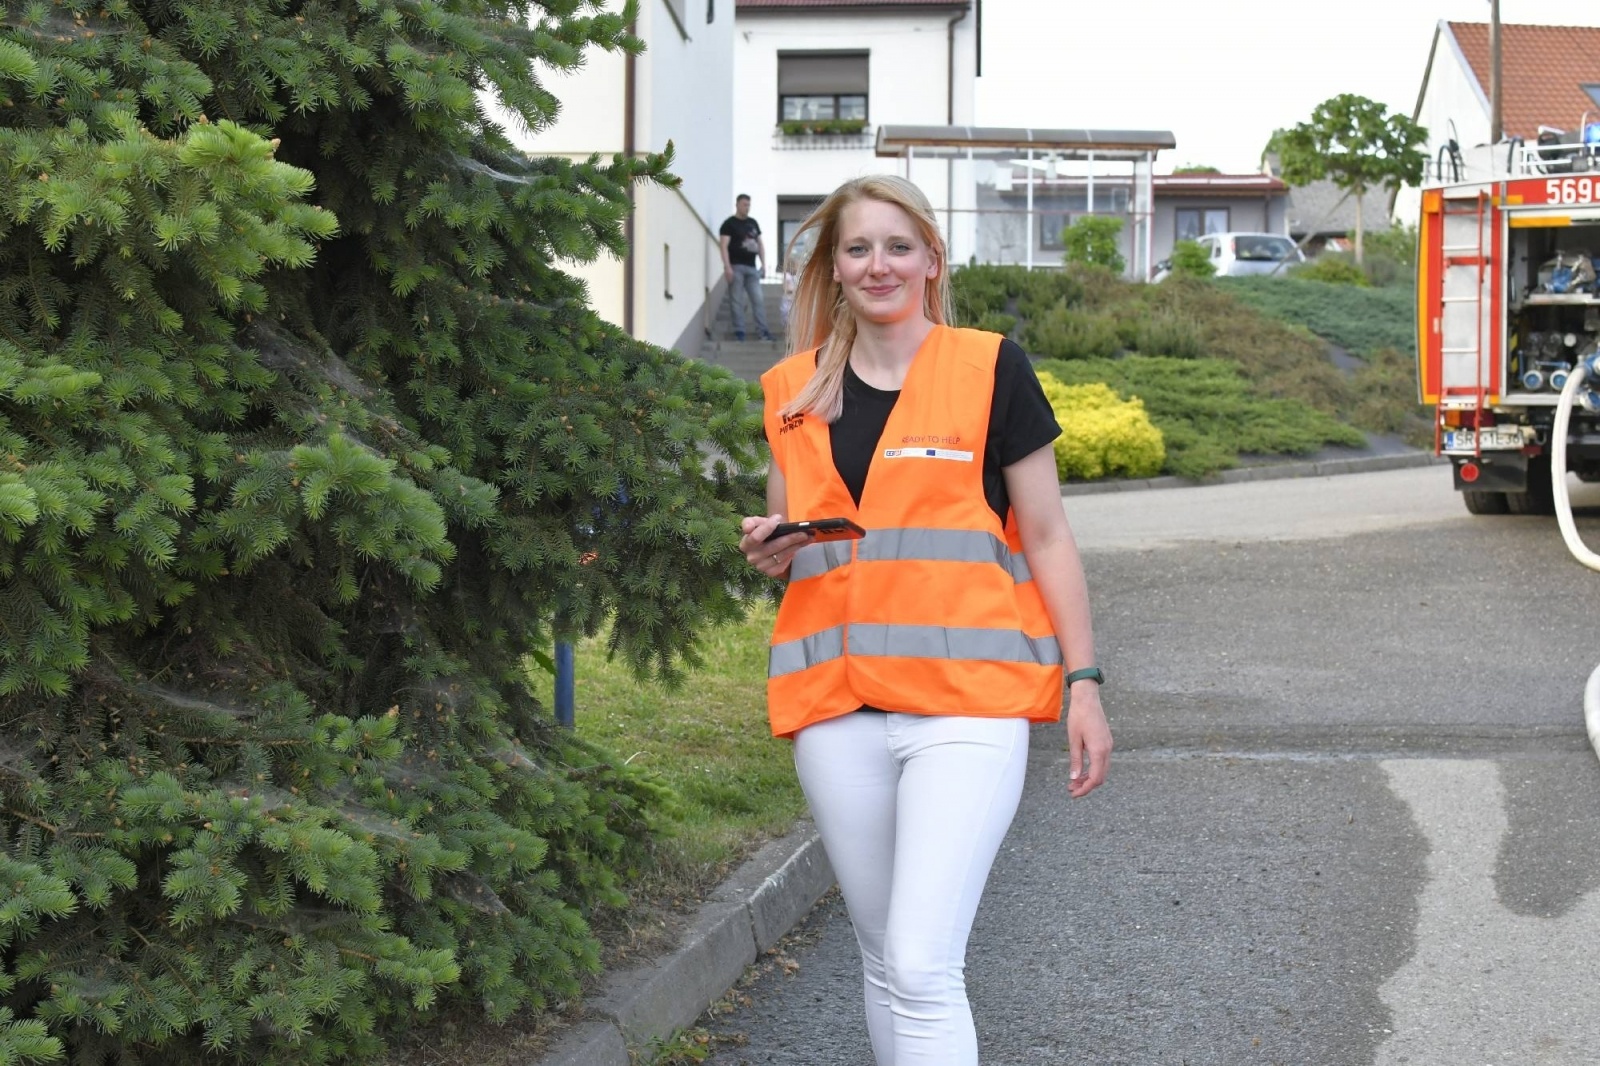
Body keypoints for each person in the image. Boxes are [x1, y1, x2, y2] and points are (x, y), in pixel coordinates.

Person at [737, 175, 1112, 1066]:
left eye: (898, 247)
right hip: (837, 709)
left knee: (919, 960)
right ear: (833, 267)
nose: (879, 265)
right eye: (858, 248)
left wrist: (1085, 685)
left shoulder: (989, 368)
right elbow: (791, 530)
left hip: (966, 709)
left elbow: (1049, 537)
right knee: (883, 961)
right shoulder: (792, 390)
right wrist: (768, 548)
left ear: (932, 261)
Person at [719, 194, 775, 342]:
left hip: (752, 268)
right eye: (744, 204)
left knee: (758, 300)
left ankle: (763, 332)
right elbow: (723, 246)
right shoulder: (729, 224)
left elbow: (760, 244)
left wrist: (763, 264)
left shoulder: (753, 223)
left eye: (748, 205)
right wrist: (727, 267)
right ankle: (739, 332)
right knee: (736, 300)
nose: (747, 207)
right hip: (736, 267)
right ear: (737, 205)